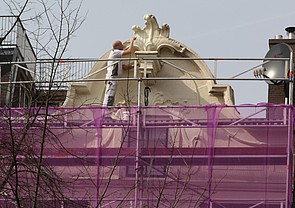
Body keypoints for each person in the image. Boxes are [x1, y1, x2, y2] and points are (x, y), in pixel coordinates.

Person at [102, 37, 136, 107]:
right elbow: (129, 51)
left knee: (111, 93)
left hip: (114, 78)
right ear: (117, 46)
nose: (123, 46)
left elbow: (124, 67)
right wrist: (132, 41)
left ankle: (108, 107)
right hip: (112, 78)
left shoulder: (117, 56)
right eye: (121, 45)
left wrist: (134, 66)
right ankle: (106, 109)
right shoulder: (115, 52)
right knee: (110, 94)